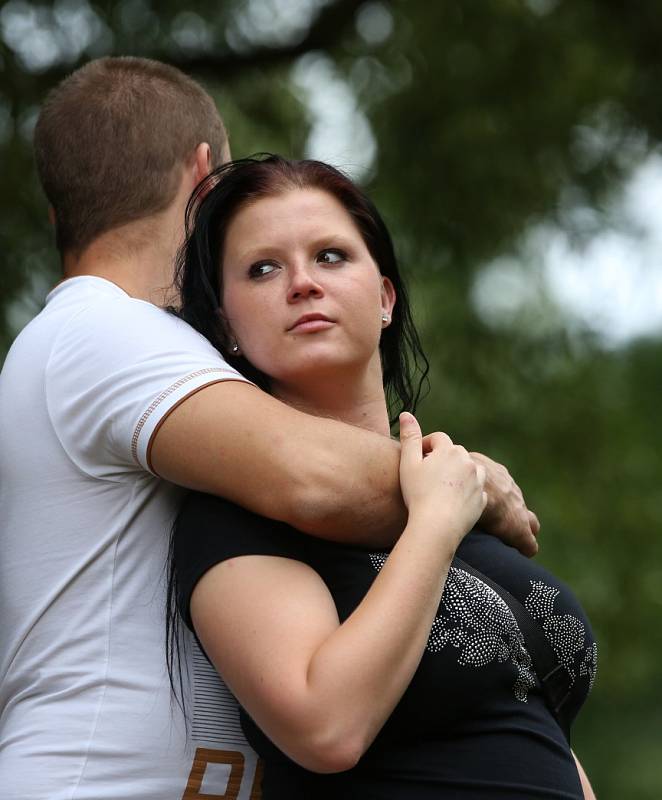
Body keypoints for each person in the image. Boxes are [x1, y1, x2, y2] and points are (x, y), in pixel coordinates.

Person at [0, 57, 538, 800]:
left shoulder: (127, 342)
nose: (299, 282)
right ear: (205, 177)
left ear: (59, 213)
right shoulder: (102, 330)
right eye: (259, 269)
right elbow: (309, 476)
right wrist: (476, 483)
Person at [170, 155, 598, 799]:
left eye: (332, 256)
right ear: (226, 327)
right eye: (263, 268)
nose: (303, 283)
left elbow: (534, 737)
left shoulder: (458, 502)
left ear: (386, 297)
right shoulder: (238, 514)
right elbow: (325, 729)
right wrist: (434, 522)